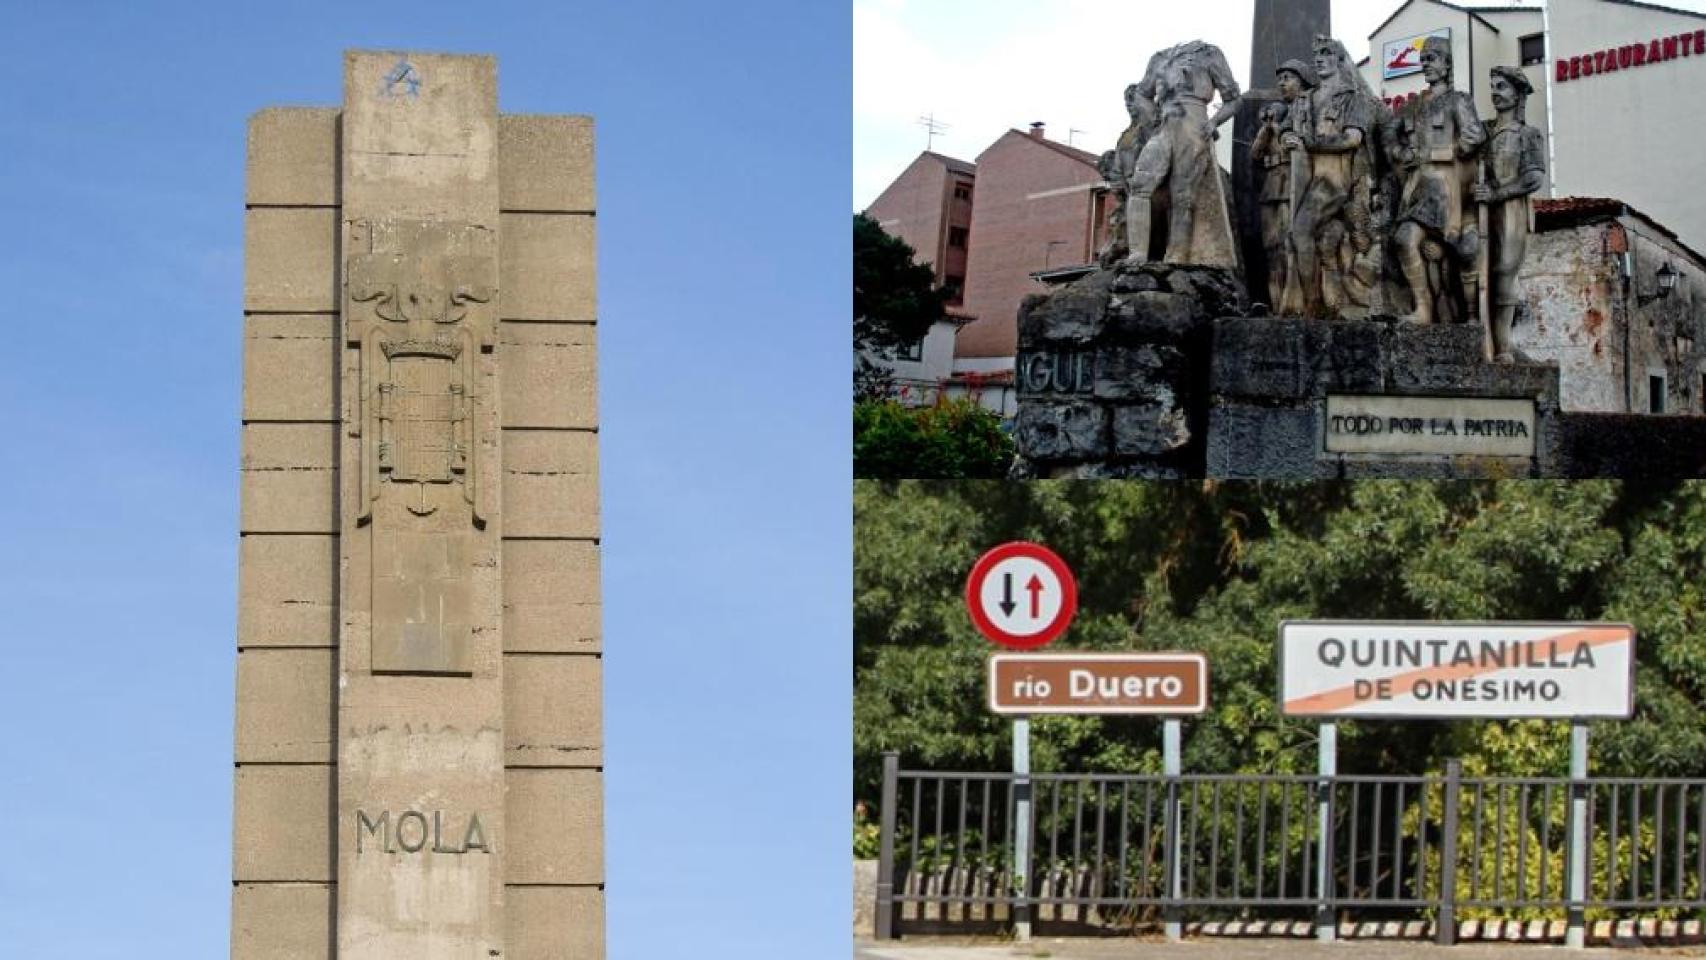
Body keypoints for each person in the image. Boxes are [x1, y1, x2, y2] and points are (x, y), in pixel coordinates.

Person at [1385, 36, 1486, 325]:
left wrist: (1454, 148)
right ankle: (1424, 307)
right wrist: (1400, 152)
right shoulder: (1412, 106)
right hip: (1417, 190)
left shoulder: (1459, 100)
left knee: (1464, 251)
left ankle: (1470, 313)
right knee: (1404, 239)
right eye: (1423, 60)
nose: (1426, 64)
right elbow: (1389, 133)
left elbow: (1475, 136)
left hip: (1450, 190)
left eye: (1432, 58)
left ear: (1447, 64)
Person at [1280, 37, 1380, 317]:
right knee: (1301, 238)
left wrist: (1311, 143)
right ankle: (1316, 300)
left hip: (1335, 179)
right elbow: (1286, 128)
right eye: (1316, 54)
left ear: (1340, 59)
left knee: (1300, 231)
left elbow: (1352, 139)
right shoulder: (1304, 99)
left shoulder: (1353, 97)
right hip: (1303, 178)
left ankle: (1312, 304)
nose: (1319, 58)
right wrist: (1287, 137)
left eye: (1326, 53)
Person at [1125, 40, 1242, 268]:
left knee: (1183, 196)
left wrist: (1214, 122)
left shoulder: (1209, 53)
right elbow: (1141, 94)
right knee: (1140, 184)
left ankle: (1177, 256)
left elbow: (1234, 99)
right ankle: (1137, 253)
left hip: (1194, 124)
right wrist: (1153, 118)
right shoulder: (1159, 58)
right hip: (1165, 124)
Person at [1474, 65, 1546, 361]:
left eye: (1502, 86)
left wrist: (1497, 194)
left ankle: (1503, 345)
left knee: (1503, 272)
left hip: (1511, 210)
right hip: (1480, 210)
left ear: (1518, 95)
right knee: (1479, 271)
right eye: (1493, 86)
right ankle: (1483, 338)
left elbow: (1534, 178)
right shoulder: (1483, 131)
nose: (1495, 92)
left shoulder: (1528, 134)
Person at [1250, 60, 1312, 306]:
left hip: (1293, 184)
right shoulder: (1271, 124)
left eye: (1288, 78)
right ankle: (1274, 301)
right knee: (1271, 246)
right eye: (1280, 79)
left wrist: (1277, 129)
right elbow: (1255, 154)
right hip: (1272, 187)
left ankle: (1292, 299)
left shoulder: (1305, 110)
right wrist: (1266, 130)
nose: (1282, 83)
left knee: (1288, 242)